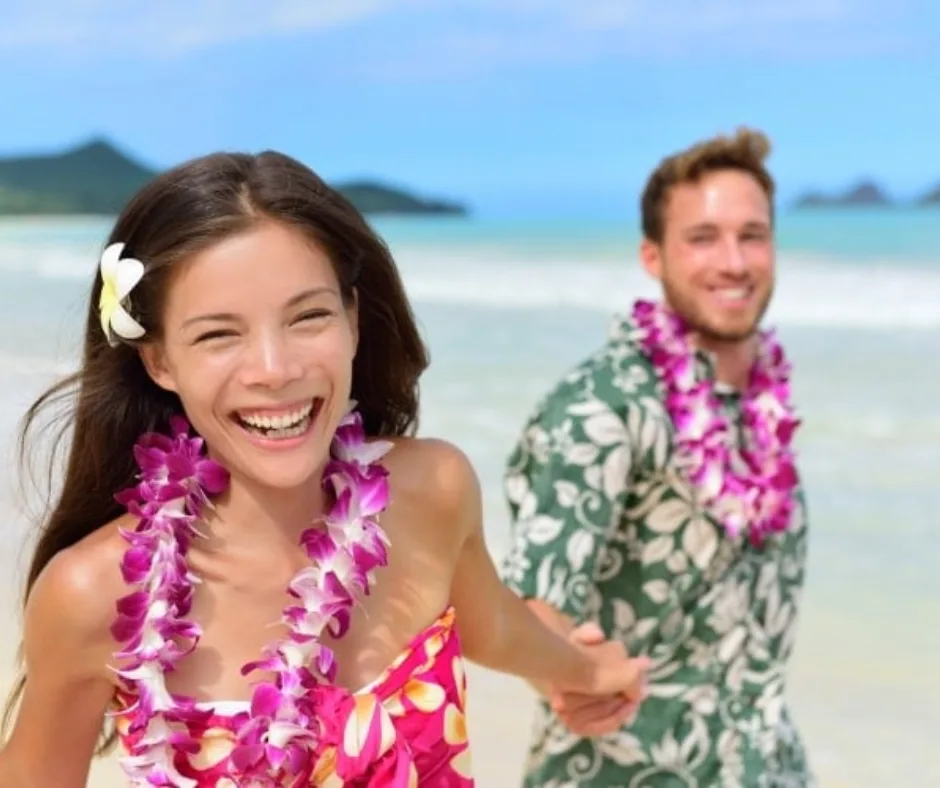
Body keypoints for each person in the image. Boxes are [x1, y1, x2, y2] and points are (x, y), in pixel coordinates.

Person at [0, 151, 648, 787]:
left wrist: (588, 674)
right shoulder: (95, 596)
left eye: (308, 316)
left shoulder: (433, 491)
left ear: (354, 322)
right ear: (160, 362)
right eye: (219, 334)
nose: (275, 370)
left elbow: (494, 626)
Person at [500, 128, 814, 786]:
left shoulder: (764, 405)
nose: (733, 261)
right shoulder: (601, 407)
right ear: (653, 255)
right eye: (702, 238)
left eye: (752, 235)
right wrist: (566, 675)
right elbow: (531, 603)